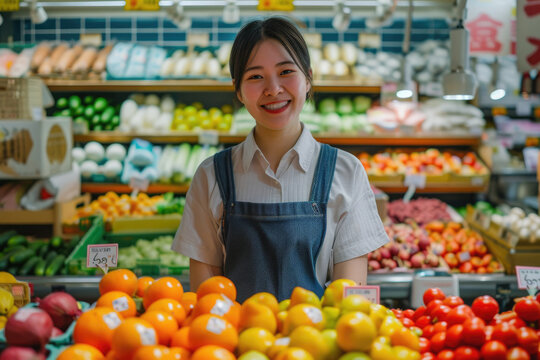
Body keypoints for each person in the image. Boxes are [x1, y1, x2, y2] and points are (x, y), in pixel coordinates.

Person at [172, 16, 389, 302]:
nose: (273, 89)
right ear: (237, 89)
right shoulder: (211, 175)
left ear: (308, 78)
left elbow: (349, 299)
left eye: (286, 71)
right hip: (232, 343)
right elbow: (206, 294)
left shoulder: (345, 172)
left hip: (315, 341)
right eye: (255, 76)